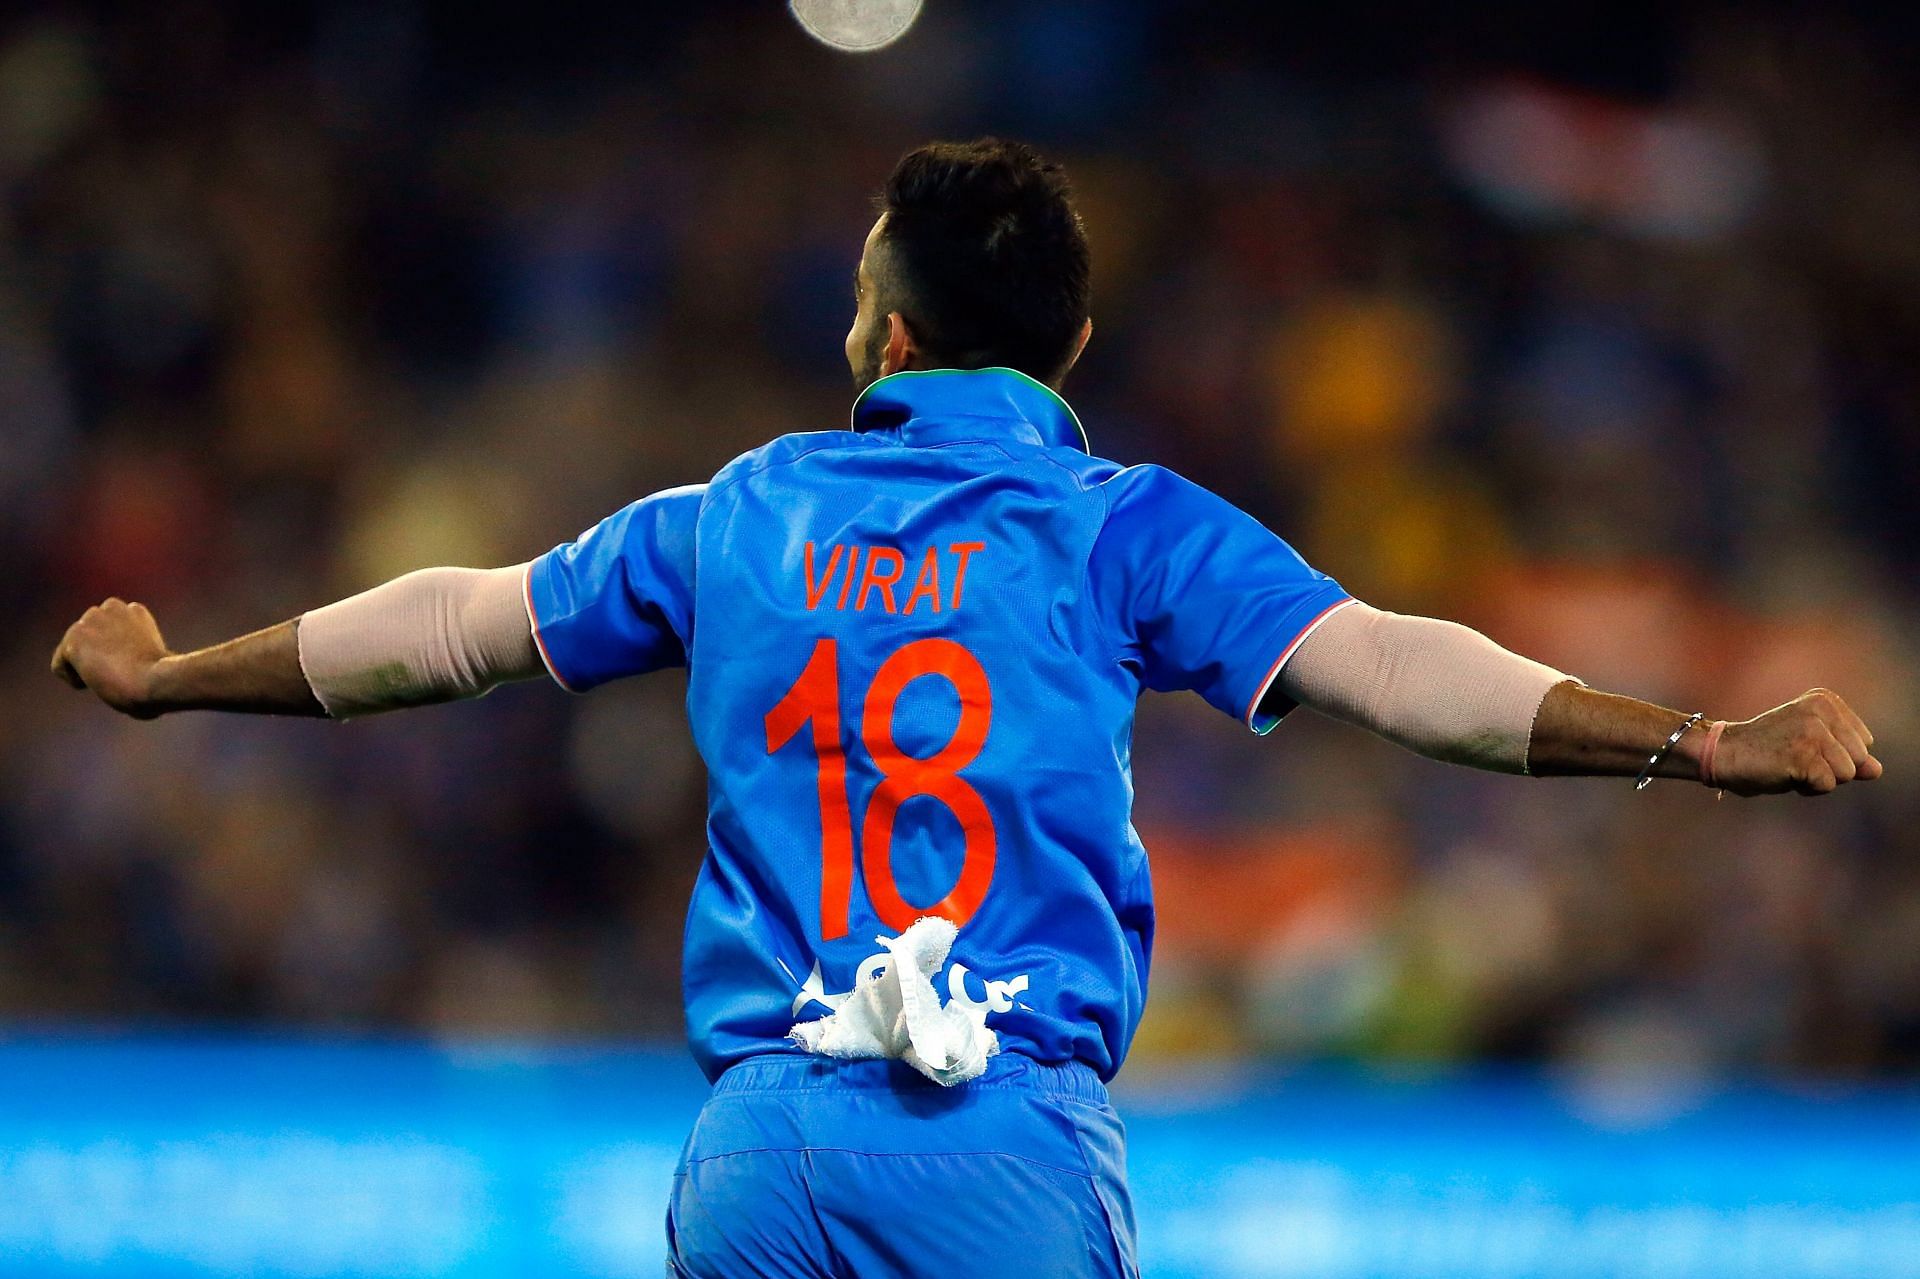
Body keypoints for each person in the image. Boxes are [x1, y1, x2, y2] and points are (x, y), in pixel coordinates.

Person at [51, 138, 1881, 1279]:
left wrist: (174, 675)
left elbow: (454, 627)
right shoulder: (1118, 528)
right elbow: (1399, 668)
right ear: (1071, 353)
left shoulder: (741, 510)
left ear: (886, 331)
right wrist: (1690, 740)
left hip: (760, 1143)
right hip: (995, 1144)